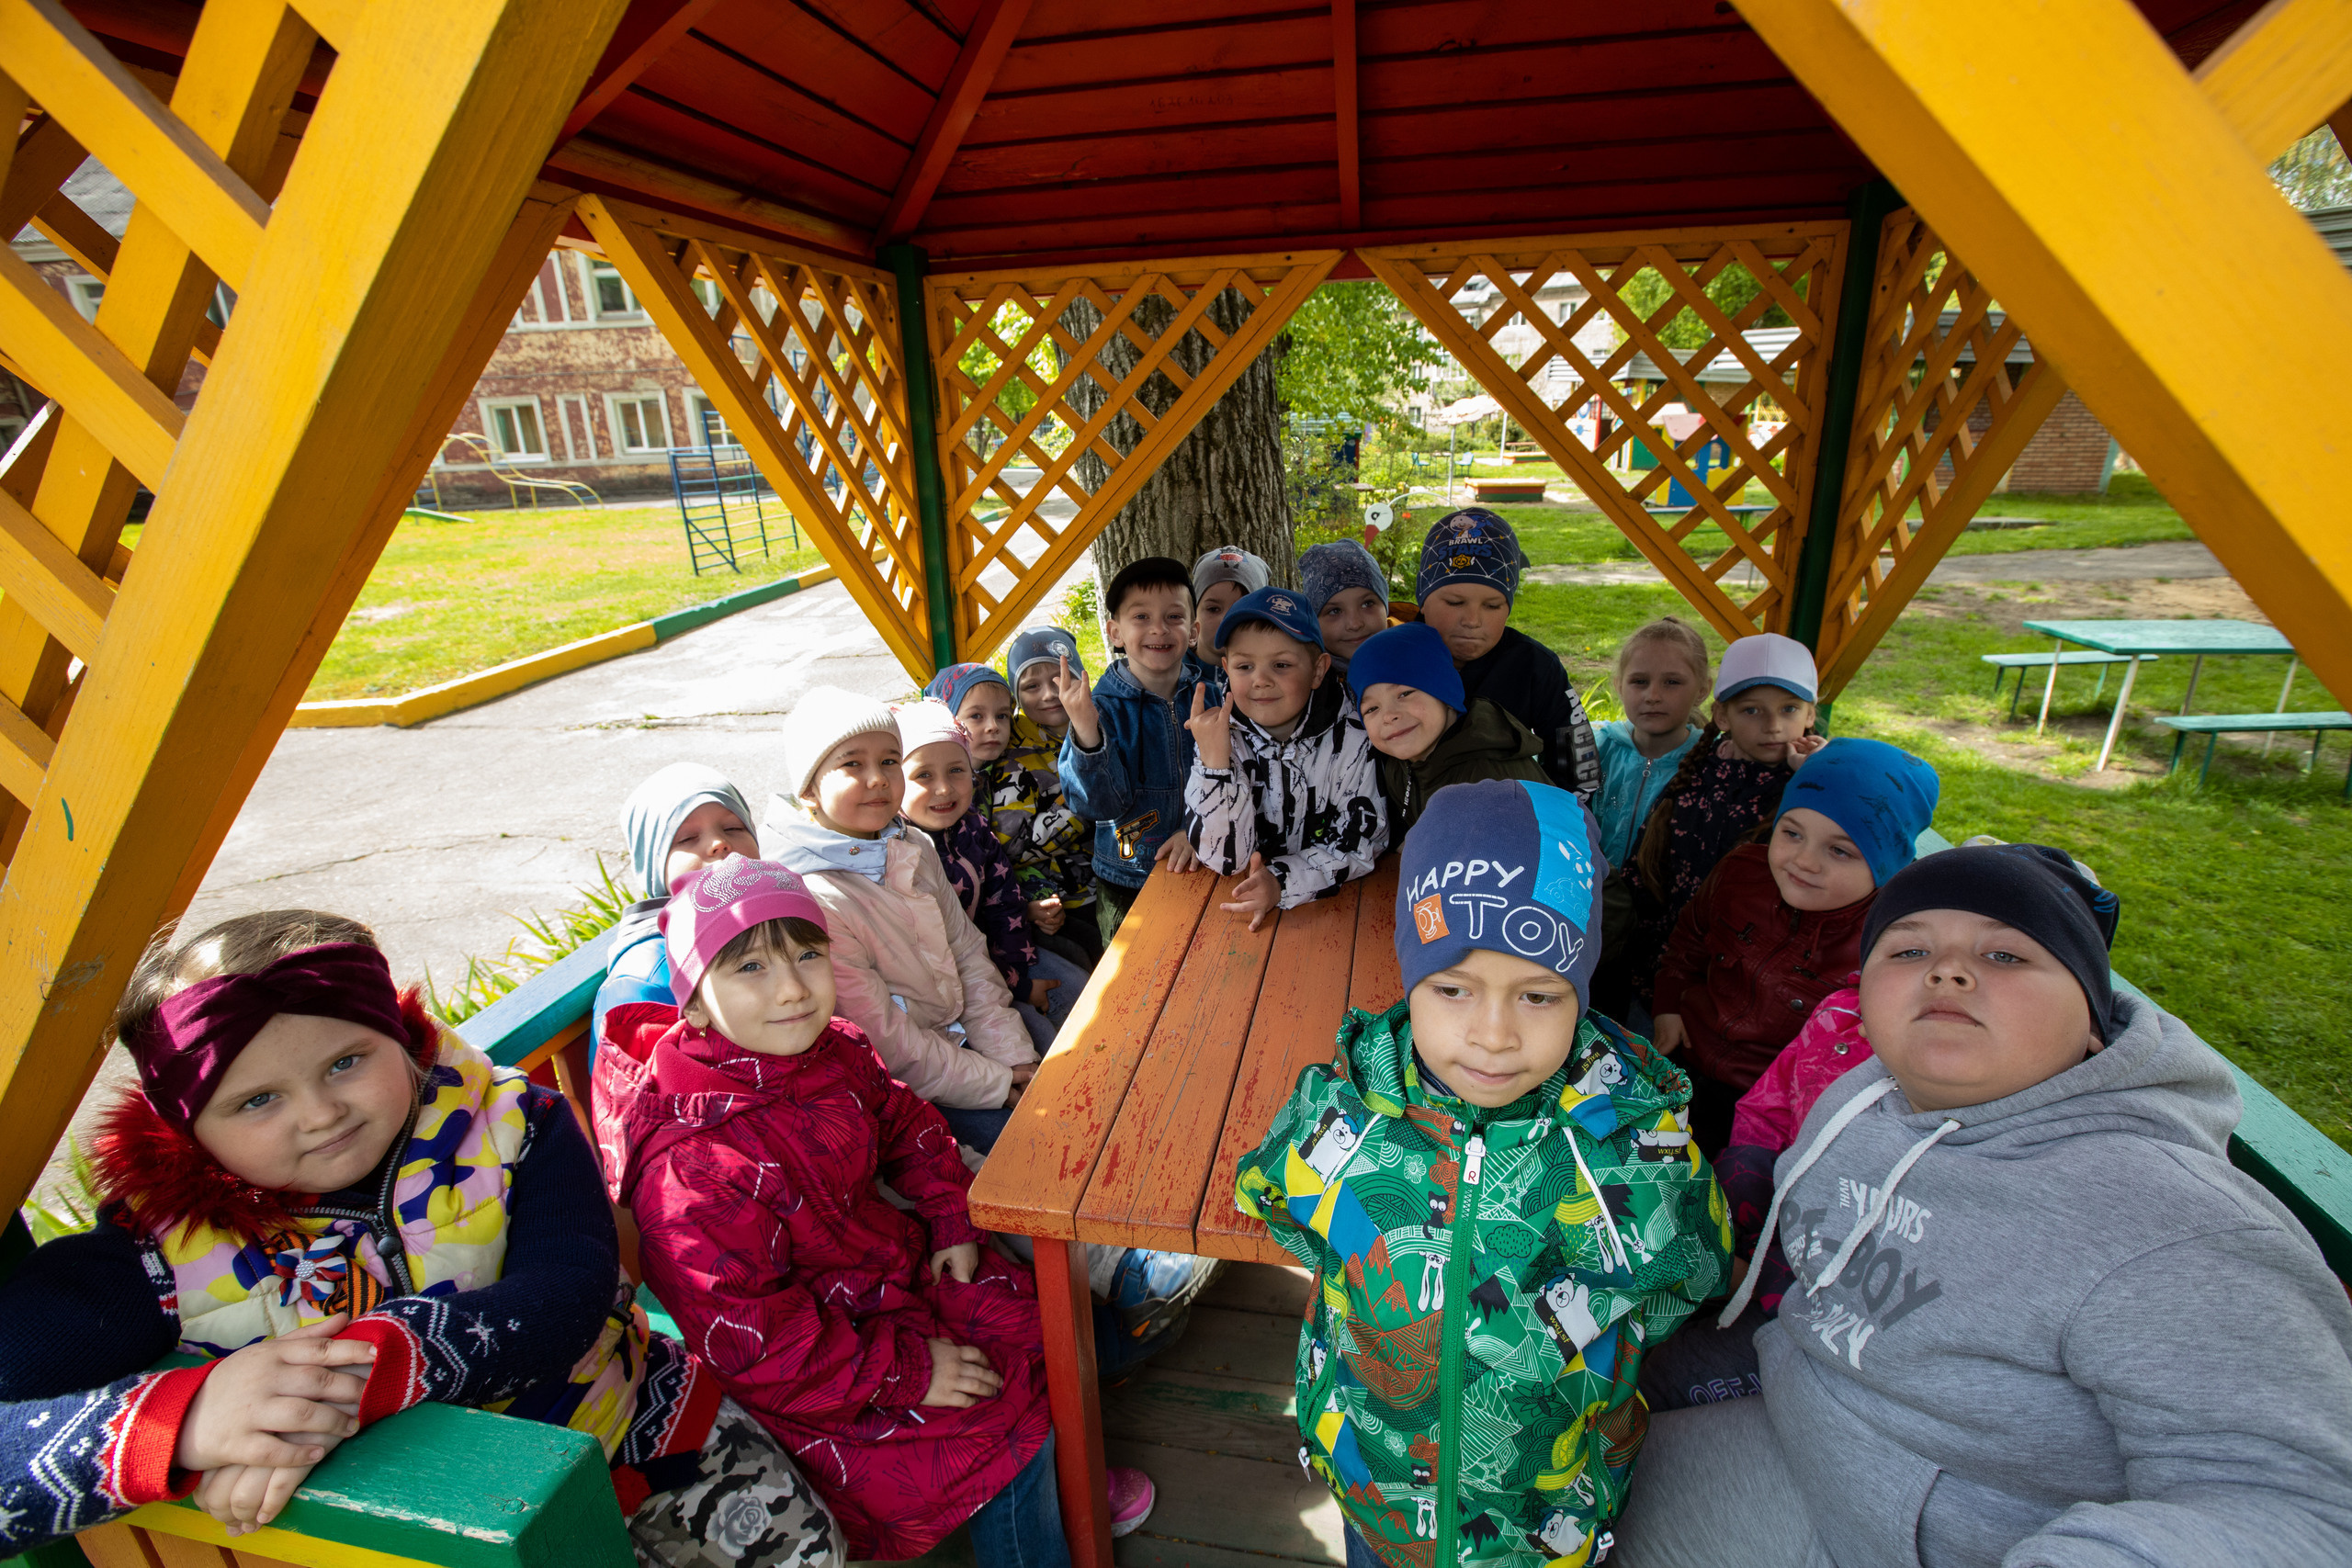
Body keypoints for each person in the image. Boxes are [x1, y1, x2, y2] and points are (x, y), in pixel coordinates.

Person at [0, 909, 842, 1566]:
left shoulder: (518, 1126)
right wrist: (184, 1423)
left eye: (343, 1061)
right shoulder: (153, 1254)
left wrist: (330, 1388)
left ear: (399, 1037)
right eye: (256, 1100)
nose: (321, 1111)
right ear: (185, 1126)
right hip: (442, 1535)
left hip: (648, 1426)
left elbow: (569, 1296)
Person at [1611, 845, 2352, 1568]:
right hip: (1800, 1406)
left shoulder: (2175, 1226)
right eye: (1906, 951)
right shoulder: (1862, 1097)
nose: (1948, 968)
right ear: (1860, 997)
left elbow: (2302, 1505)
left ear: (2092, 1018)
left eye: (2006, 956)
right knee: (1546, 1448)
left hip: (1929, 1532)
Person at [591, 858, 1157, 1564]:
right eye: (751, 968)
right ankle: (1042, 1536)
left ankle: (1065, 1495)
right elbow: (761, 1343)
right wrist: (911, 1371)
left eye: (806, 953)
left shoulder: (834, 1051)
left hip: (886, 1280)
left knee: (1048, 1323)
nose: (794, 987)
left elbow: (909, 1126)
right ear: (696, 1003)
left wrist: (950, 1213)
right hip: (823, 1376)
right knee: (1001, 1425)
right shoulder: (692, 1172)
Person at [1236, 779, 1730, 1568]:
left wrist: (1566, 1344)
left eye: (1538, 994)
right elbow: (1275, 1193)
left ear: (1582, 989)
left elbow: (1692, 1268)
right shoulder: (1350, 1104)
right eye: (1453, 988)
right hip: (1378, 1500)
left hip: (1544, 1519)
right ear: (1410, 978)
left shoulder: (1630, 1139)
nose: (1494, 1034)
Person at [757, 687, 1037, 1153]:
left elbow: (967, 954)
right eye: (852, 764)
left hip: (957, 1039)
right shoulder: (811, 897)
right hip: (899, 1088)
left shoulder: (911, 845)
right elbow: (885, 1043)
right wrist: (996, 1081)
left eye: (889, 761)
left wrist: (1014, 1060)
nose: (878, 779)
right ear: (808, 788)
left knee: (1055, 1074)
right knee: (1021, 1152)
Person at [1649, 738, 1940, 1156]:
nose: (1803, 861)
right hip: (1686, 1062)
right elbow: (1688, 940)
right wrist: (1668, 1005)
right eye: (1792, 833)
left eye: (1839, 850)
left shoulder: (1893, 942)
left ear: (1886, 864)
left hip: (1782, 1111)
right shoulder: (1739, 874)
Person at [1611, 632, 1826, 1020]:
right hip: (1663, 974)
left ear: (1811, 715)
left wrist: (1820, 778)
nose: (1774, 726)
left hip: (1753, 990)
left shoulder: (1810, 788)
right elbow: (1646, 873)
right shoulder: (1697, 774)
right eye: (1752, 711)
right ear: (1722, 715)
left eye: (1790, 709)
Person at [1181, 586, 1385, 930]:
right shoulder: (1219, 736)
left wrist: (1282, 881)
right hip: (1242, 911)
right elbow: (1226, 860)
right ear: (1227, 669)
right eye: (1245, 666)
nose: (1260, 680)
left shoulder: (1352, 736)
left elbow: (1364, 842)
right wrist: (1215, 765)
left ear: (1319, 670)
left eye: (1281, 664)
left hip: (1343, 911)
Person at [898, 698, 1085, 1052]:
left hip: (1001, 958)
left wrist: (1019, 973)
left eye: (957, 770)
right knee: (1042, 1044)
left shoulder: (973, 829)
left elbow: (1004, 905)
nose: (943, 789)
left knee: (1080, 993)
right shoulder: (902, 854)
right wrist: (1019, 988)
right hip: (949, 991)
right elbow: (946, 954)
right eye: (924, 775)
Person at [1057, 558, 1208, 942]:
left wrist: (1197, 830)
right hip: (1127, 880)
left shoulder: (1211, 697)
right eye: (1140, 617)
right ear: (1115, 633)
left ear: (1193, 632)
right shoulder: (1100, 707)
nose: (1159, 628)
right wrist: (1087, 732)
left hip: (1202, 862)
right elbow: (1097, 806)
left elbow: (1232, 778)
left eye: (1174, 617)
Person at [1413, 508, 1599, 801]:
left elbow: (1579, 769)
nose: (1473, 619)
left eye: (1492, 606)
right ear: (1422, 600)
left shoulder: (1536, 667)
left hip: (1508, 829)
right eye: (1455, 602)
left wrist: (1564, 829)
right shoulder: (1394, 657)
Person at [594, 761, 758, 1043]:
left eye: (733, 827)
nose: (719, 843)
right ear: (654, 867)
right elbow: (632, 1084)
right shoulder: (644, 980)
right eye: (687, 838)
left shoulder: (771, 926)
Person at [1348, 621, 1544, 836]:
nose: (1388, 716)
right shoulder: (1401, 768)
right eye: (1371, 708)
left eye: (1405, 694)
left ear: (1447, 694)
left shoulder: (1488, 782)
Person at [998, 627, 1102, 969]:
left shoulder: (1100, 724)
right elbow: (1014, 844)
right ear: (1016, 696)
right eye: (1031, 686)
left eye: (1060, 678)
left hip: (1114, 880)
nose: (1050, 694)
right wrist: (1088, 803)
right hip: (1063, 904)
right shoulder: (1013, 755)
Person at [1591, 617, 1710, 871]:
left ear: (1702, 690)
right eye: (1640, 682)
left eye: (1672, 682)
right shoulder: (1596, 749)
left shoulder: (1711, 764)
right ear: (1619, 686)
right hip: (1595, 898)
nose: (1653, 696)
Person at [1297, 538, 1391, 676]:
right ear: (1314, 621)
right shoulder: (1304, 683)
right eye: (1335, 611)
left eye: (1367, 604)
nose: (1355, 624)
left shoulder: (1416, 662)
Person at [1188, 544, 1270, 671]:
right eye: (1213, 609)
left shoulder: (1273, 680)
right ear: (1194, 614)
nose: (1225, 620)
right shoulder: (1167, 676)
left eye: (1241, 610)